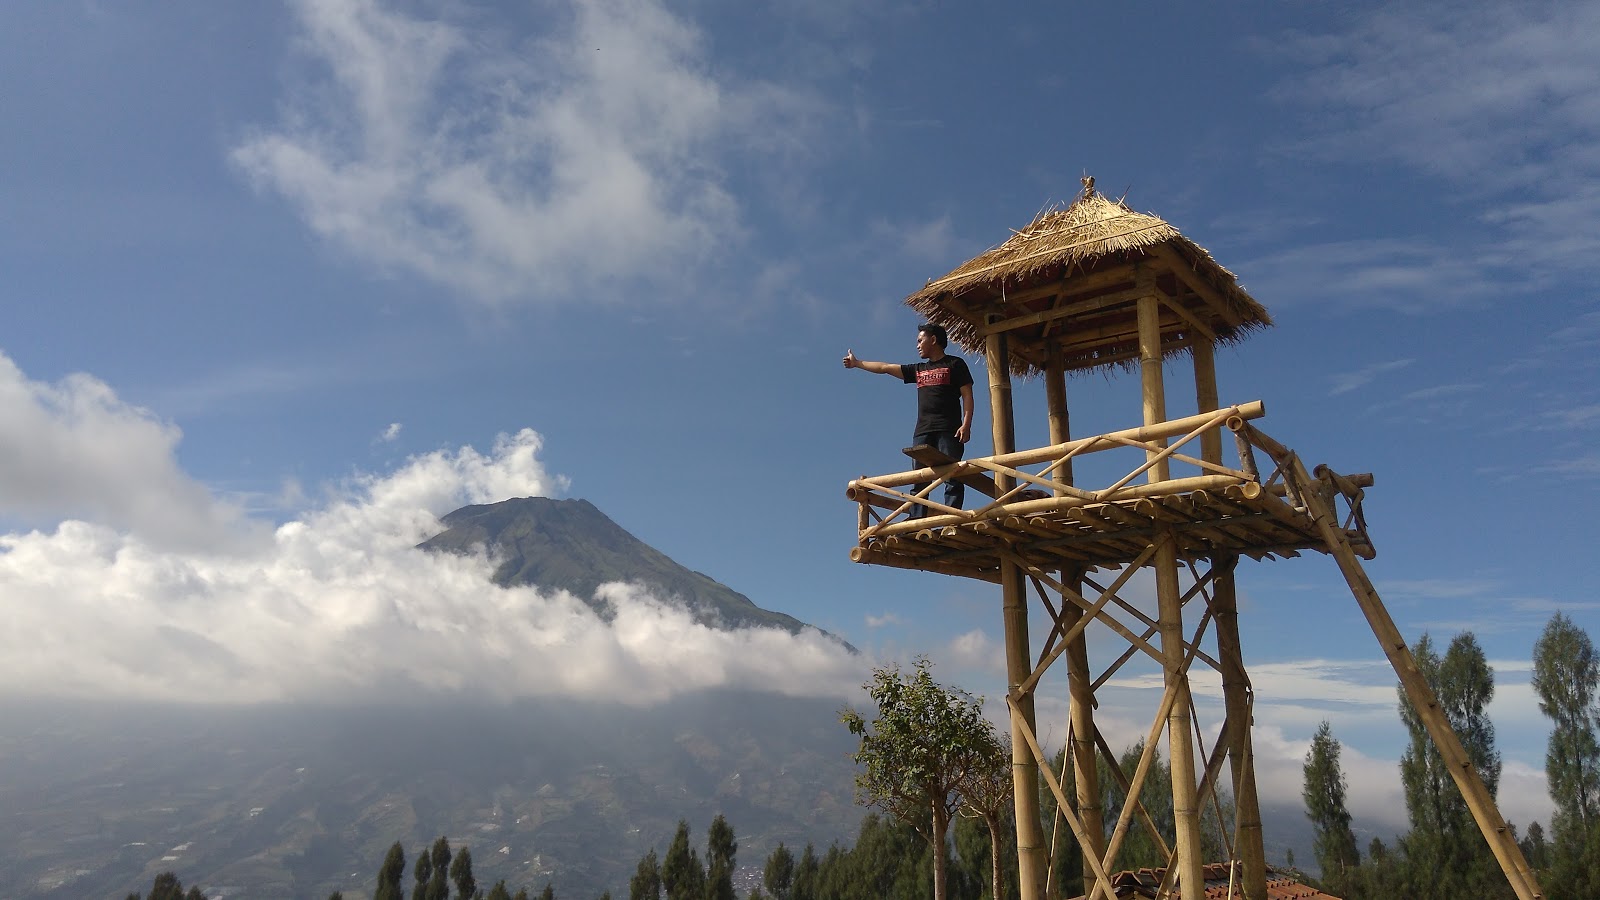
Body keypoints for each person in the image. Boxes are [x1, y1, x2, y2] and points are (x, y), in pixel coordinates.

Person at [843, 323, 975, 517]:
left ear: (934, 340)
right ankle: (916, 519)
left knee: (952, 475)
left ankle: (953, 517)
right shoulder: (919, 369)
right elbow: (885, 368)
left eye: (920, 340)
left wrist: (967, 424)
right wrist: (857, 363)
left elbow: (967, 395)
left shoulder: (955, 364)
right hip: (922, 431)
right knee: (919, 479)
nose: (917, 345)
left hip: (949, 429)